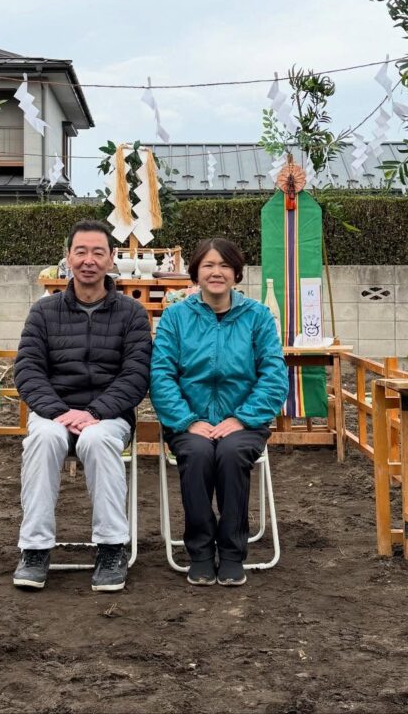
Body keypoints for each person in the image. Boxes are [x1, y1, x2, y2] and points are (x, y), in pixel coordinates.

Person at [12, 219, 152, 592]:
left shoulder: (132, 314)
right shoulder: (43, 312)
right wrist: (59, 412)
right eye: (81, 252)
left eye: (98, 253)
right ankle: (35, 549)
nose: (88, 260)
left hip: (108, 417)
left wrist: (94, 413)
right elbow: (27, 370)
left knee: (97, 441)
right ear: (67, 258)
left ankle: (111, 547)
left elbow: (135, 375)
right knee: (42, 441)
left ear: (111, 261)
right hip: (53, 413)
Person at [150, 237, 289, 587]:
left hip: (244, 421)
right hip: (188, 422)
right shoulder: (175, 317)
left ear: (236, 273)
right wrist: (186, 421)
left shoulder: (257, 317)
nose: (216, 272)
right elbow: (161, 374)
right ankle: (199, 551)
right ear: (195, 272)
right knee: (196, 454)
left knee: (230, 453)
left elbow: (274, 375)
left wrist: (241, 418)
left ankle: (230, 553)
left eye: (224, 265)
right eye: (208, 265)